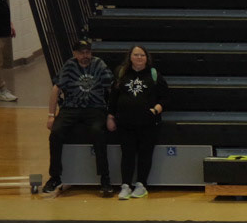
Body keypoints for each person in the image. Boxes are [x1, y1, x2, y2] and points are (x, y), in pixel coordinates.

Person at [45, 38, 114, 197]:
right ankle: (55, 177)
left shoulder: (99, 64)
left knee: (98, 132)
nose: (85, 56)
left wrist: (111, 114)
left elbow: (111, 88)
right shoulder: (69, 65)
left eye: (88, 52)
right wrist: (51, 115)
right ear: (75, 54)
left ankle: (105, 179)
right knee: (55, 133)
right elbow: (56, 89)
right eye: (81, 53)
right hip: (71, 108)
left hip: (95, 108)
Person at [106, 44, 167, 200]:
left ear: (147, 58)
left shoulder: (154, 75)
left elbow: (165, 97)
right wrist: (110, 116)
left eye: (142, 55)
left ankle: (141, 185)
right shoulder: (121, 74)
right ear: (130, 57)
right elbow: (113, 97)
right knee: (127, 154)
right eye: (136, 55)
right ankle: (125, 185)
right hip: (125, 123)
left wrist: (155, 110)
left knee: (145, 154)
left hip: (148, 123)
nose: (139, 58)